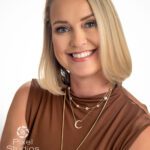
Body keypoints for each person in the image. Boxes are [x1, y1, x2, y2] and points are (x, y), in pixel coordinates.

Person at [0, 0, 150, 149]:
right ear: (50, 37)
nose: (78, 41)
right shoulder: (28, 99)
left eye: (90, 24)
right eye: (62, 29)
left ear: (109, 28)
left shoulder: (138, 128)